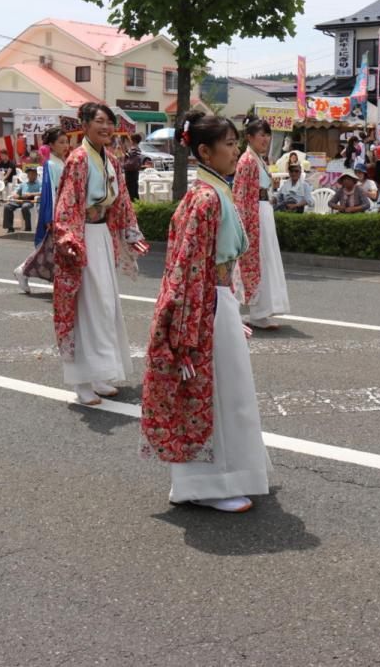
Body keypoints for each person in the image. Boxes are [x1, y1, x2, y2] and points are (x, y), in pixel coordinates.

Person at [141, 112, 271, 513]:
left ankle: (218, 478)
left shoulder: (213, 192)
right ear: (204, 151)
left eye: (236, 143)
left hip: (215, 300)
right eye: (229, 144)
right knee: (215, 395)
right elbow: (186, 269)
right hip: (207, 306)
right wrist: (187, 328)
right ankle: (206, 484)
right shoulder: (208, 198)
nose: (236, 150)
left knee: (227, 393)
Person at [52, 103, 149, 406]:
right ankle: (81, 380)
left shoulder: (112, 160)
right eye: (99, 122)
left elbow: (122, 202)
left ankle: (98, 374)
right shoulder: (79, 159)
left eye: (109, 122)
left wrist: (131, 233)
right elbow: (66, 204)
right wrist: (69, 237)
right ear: (84, 124)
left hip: (102, 236)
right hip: (82, 237)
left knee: (104, 305)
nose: (105, 127)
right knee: (86, 306)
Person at [234, 118, 291, 330]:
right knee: (257, 261)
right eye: (262, 135)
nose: (266, 139)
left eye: (268, 135)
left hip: (263, 209)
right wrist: (245, 223)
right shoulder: (247, 160)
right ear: (250, 137)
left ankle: (261, 311)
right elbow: (240, 195)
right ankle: (254, 310)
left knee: (267, 261)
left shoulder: (258, 158)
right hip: (254, 213)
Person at [14, 127, 69, 293]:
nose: (65, 145)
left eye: (66, 142)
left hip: (67, 208)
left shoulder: (62, 161)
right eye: (61, 142)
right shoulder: (50, 164)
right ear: (51, 145)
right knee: (49, 247)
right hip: (57, 210)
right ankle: (23, 270)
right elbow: (49, 191)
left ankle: (26, 271)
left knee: (52, 248)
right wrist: (50, 216)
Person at [3, 167, 40, 233]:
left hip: (31, 201)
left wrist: (31, 194)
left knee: (25, 207)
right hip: (20, 199)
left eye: (32, 174)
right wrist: (15, 194)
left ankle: (28, 228)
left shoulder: (39, 184)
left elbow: (42, 193)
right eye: (29, 174)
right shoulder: (23, 184)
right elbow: (15, 191)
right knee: (7, 206)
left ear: (36, 175)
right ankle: (10, 228)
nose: (30, 176)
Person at [123, 133, 144, 201]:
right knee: (134, 189)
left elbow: (127, 159)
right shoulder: (138, 149)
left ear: (133, 140)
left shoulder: (133, 149)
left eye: (131, 139)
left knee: (130, 190)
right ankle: (136, 204)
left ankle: (133, 205)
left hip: (130, 172)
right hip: (135, 171)